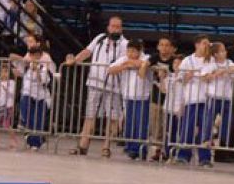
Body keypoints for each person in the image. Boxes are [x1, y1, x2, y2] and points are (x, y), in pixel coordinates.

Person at [65, 16, 129, 158]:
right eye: (113, 26)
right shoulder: (100, 38)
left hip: (114, 86)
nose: (115, 29)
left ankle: (106, 147)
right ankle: (83, 145)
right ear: (108, 27)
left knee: (112, 118)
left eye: (118, 27)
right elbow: (87, 51)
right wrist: (75, 60)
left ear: (121, 29)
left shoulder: (125, 44)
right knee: (90, 114)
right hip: (95, 83)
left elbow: (127, 61)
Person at [107, 39, 152, 159]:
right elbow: (110, 70)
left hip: (142, 96)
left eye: (133, 51)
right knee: (129, 122)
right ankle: (130, 146)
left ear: (140, 51)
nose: (130, 54)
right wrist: (125, 65)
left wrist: (129, 63)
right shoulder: (124, 59)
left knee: (140, 123)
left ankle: (139, 149)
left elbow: (142, 63)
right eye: (128, 51)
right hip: (128, 96)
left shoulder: (146, 57)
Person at [175, 35, 215, 167]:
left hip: (207, 99)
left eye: (208, 44)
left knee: (205, 130)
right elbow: (180, 79)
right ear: (197, 44)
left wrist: (210, 76)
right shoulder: (188, 60)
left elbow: (214, 74)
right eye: (204, 43)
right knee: (188, 128)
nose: (206, 46)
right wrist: (188, 76)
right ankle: (183, 155)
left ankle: (204, 157)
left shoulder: (211, 60)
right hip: (191, 99)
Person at [11, 34, 55, 151]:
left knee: (38, 120)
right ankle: (30, 136)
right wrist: (21, 67)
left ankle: (36, 142)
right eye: (32, 55)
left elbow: (44, 81)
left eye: (36, 55)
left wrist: (37, 71)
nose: (34, 57)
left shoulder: (44, 64)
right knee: (26, 114)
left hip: (41, 96)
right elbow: (13, 59)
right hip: (27, 93)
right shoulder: (27, 63)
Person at [146, 37, 178, 161]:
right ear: (158, 46)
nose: (164, 47)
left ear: (172, 48)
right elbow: (144, 66)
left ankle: (169, 151)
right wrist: (149, 67)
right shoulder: (154, 58)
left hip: (171, 98)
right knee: (156, 126)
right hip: (156, 96)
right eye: (162, 45)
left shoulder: (175, 60)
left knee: (169, 126)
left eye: (167, 45)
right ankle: (157, 150)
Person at [0, 63, 19, 150]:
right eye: (2, 72)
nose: (4, 74)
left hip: (7, 106)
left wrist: (6, 89)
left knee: (6, 124)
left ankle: (13, 140)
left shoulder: (11, 83)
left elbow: (12, 94)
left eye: (6, 72)